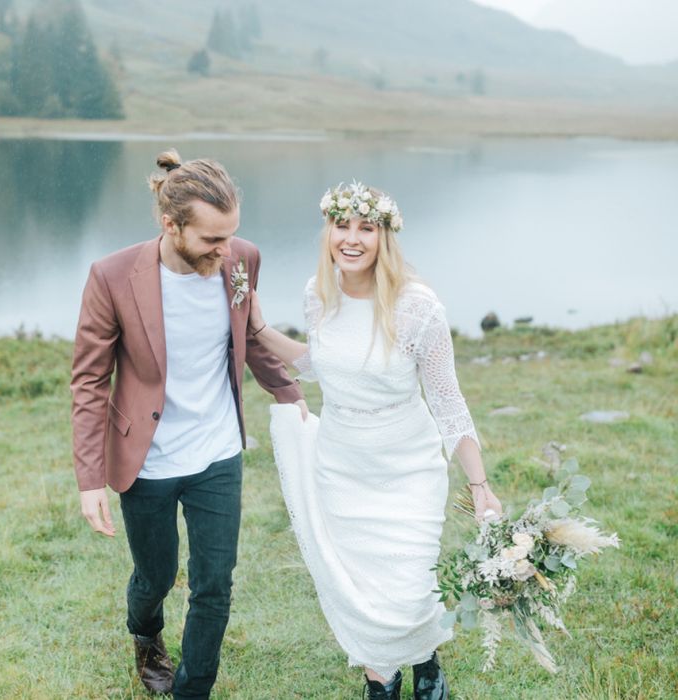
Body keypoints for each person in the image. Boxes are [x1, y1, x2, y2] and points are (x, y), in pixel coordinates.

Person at [248, 181, 502, 700]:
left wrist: (480, 487)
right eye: (343, 226)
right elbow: (325, 365)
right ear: (329, 230)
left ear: (385, 236)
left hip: (408, 465)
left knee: (409, 588)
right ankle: (380, 684)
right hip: (342, 467)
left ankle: (426, 658)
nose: (353, 239)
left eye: (367, 228)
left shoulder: (418, 308)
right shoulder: (317, 296)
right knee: (363, 592)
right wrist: (258, 328)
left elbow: (447, 401)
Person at [70, 149, 306, 699]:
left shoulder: (242, 259)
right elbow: (88, 382)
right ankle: (146, 634)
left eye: (230, 238)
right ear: (170, 224)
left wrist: (288, 391)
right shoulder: (111, 276)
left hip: (218, 450)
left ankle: (192, 689)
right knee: (155, 575)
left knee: (214, 583)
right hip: (147, 457)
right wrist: (88, 479)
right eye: (211, 241)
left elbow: (247, 335)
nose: (225, 253)